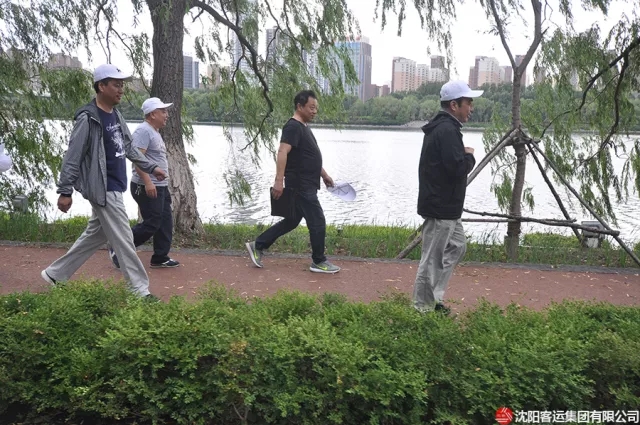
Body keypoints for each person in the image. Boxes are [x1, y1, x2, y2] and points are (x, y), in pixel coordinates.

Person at [40, 64, 167, 300]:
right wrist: (65, 191)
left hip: (116, 185)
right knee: (124, 239)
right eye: (116, 85)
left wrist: (152, 167)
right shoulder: (88, 118)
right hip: (103, 187)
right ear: (101, 86)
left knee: (95, 236)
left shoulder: (115, 115)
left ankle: (55, 274)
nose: (121, 90)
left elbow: (128, 147)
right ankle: (140, 291)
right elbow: (73, 156)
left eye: (122, 85)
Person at [245, 90, 340, 273]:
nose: (315, 111)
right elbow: (282, 152)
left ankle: (258, 245)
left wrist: (324, 175)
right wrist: (278, 181)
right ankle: (319, 261)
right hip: (300, 185)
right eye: (311, 107)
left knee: (292, 220)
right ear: (299, 106)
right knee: (317, 220)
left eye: (316, 108)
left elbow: (308, 156)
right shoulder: (293, 127)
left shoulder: (303, 127)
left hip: (306, 183)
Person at [413, 80, 482, 314]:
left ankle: (433, 297)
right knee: (431, 259)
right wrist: (469, 156)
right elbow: (456, 168)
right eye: (468, 103)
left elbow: (446, 165)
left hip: (448, 207)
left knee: (457, 246)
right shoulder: (446, 130)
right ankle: (422, 309)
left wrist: (462, 156)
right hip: (440, 207)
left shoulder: (446, 129)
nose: (471, 108)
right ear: (454, 105)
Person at [108, 97, 179, 269]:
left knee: (165, 222)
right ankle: (119, 248)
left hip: (160, 186)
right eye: (163, 111)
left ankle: (160, 257)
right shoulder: (143, 131)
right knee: (152, 223)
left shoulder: (154, 131)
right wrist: (148, 182)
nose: (167, 115)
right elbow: (137, 159)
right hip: (146, 185)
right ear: (152, 114)